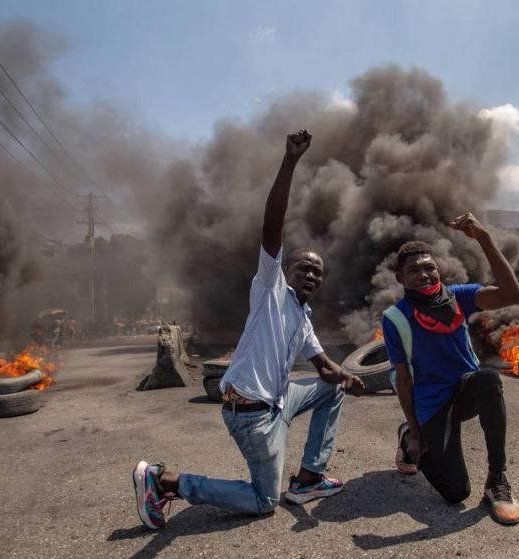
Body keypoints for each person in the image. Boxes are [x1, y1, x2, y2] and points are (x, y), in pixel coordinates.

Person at [131, 130, 365, 529]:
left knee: (332, 388)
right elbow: (271, 226)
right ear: (284, 270)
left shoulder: (301, 318)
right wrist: (290, 161)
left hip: (276, 403)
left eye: (318, 272)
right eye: (303, 267)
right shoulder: (270, 290)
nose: (311, 274)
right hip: (251, 414)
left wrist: (349, 377)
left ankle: (309, 479)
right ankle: (167, 481)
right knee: (263, 501)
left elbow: (325, 367)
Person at [382, 213, 519, 526]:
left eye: (429, 267)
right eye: (414, 270)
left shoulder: (460, 296)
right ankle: (408, 437)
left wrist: (484, 238)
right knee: (455, 492)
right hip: (431, 405)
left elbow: (512, 295)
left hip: (463, 392)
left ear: (439, 269)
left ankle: (497, 482)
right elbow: (403, 380)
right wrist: (417, 432)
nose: (424, 275)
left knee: (488, 379)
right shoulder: (395, 318)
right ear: (400, 279)